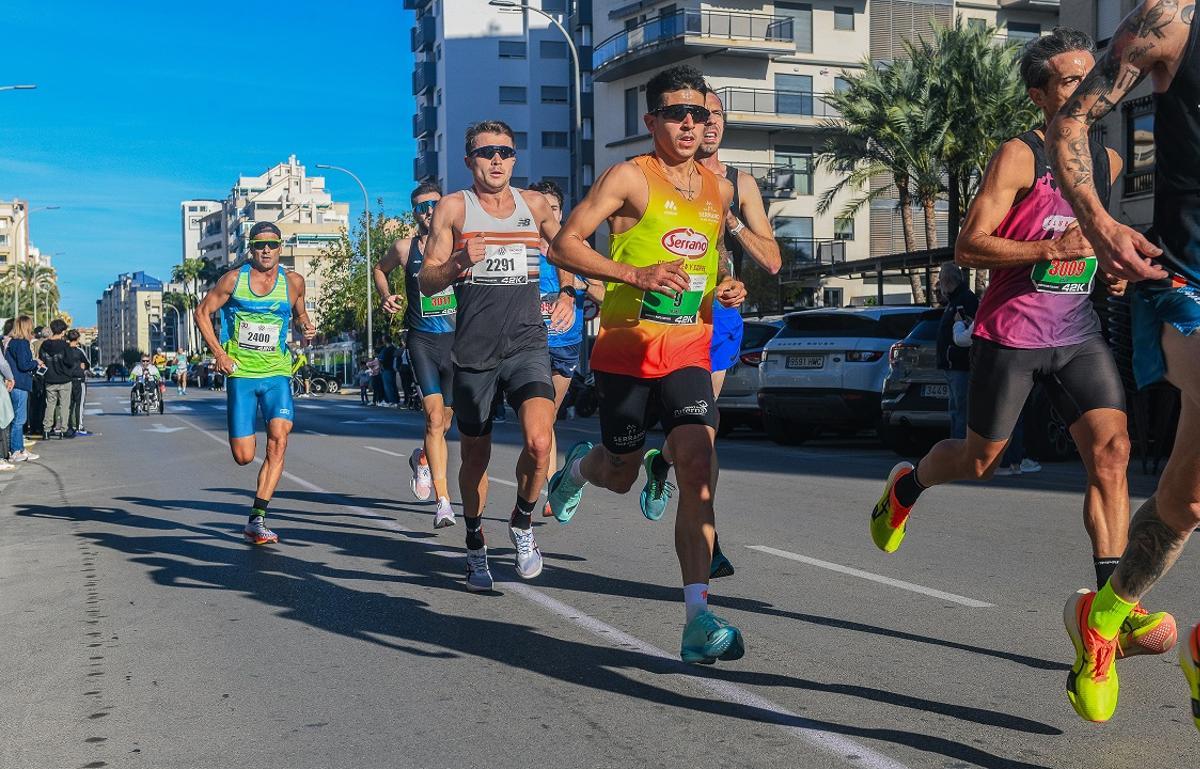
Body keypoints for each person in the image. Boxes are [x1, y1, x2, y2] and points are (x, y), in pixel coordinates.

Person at [870, 27, 1178, 721]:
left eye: (1090, 75)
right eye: (1071, 81)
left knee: (1114, 451)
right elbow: (969, 244)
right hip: (1009, 335)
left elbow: (1094, 238)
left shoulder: (1108, 156)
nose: (1088, 89)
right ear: (1040, 95)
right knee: (982, 459)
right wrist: (1047, 244)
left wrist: (1114, 267)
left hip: (1076, 333)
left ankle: (1104, 615)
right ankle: (907, 485)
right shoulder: (1019, 154)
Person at [545, 65, 749, 664]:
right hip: (626, 350)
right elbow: (565, 244)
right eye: (674, 113)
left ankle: (697, 618)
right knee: (622, 471)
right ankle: (580, 468)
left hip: (687, 347)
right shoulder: (630, 178)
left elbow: (704, 264)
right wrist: (634, 274)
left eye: (698, 114)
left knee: (697, 462)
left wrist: (724, 290)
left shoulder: (718, 189)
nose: (689, 124)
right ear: (651, 120)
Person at [1044, 2, 1200, 727]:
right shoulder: (1172, 18)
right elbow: (1071, 121)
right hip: (1187, 282)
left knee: (1189, 500)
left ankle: (1105, 617)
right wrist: (1100, 223)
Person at [419, 119, 575, 590]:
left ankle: (523, 524)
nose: (496, 161)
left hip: (527, 344)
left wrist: (567, 291)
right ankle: (474, 543)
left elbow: (566, 247)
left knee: (540, 443)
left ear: (514, 158)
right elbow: (427, 280)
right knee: (476, 458)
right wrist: (458, 263)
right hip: (475, 353)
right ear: (469, 160)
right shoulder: (453, 209)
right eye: (486, 152)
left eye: (505, 152)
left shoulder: (532, 204)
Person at [637, 87, 783, 579]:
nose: (709, 124)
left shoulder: (739, 184)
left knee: (705, 433)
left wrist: (731, 218)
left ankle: (669, 474)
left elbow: (773, 260)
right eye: (700, 115)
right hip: (665, 310)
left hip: (719, 314)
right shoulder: (653, 177)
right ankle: (705, 532)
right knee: (696, 434)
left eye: (716, 115)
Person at [194, 220, 317, 545]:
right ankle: (255, 518)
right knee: (244, 456)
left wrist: (306, 326)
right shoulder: (234, 280)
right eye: (260, 244)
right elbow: (202, 312)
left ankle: (257, 519)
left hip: (278, 371)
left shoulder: (293, 282)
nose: (266, 250)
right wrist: (220, 354)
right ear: (251, 247)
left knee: (279, 439)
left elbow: (300, 312)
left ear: (280, 247)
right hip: (242, 374)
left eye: (273, 245)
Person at [375, 182, 458, 528]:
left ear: (443, 207)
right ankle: (444, 502)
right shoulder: (404, 248)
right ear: (414, 213)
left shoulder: (460, 244)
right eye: (421, 207)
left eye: (433, 205)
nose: (427, 212)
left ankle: (422, 458)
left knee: (446, 422)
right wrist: (386, 294)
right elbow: (380, 269)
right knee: (434, 418)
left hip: (457, 342)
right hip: (422, 341)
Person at [528, 179, 605, 516]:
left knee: (550, 419)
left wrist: (581, 285)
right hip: (528, 344)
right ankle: (547, 490)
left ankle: (558, 482)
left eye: (553, 209)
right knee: (539, 421)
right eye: (540, 209)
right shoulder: (522, 247)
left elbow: (601, 293)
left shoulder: (577, 246)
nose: (547, 214)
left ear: (560, 212)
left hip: (567, 343)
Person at [934, 262, 978, 440]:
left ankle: (959, 448)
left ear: (947, 280)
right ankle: (956, 446)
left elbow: (970, 332)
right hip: (952, 365)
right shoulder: (955, 300)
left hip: (960, 365)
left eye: (940, 279)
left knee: (961, 410)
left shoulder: (965, 299)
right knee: (955, 410)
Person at [3, 316, 39, 463]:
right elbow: (24, 365)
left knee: (16, 418)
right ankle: (16, 450)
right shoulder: (22, 343)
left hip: (13, 383)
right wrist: (35, 363)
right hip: (20, 384)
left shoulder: (10, 343)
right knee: (19, 419)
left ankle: (20, 449)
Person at [38, 319, 73, 440]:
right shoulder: (65, 346)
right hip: (64, 379)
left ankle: (46, 430)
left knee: (50, 405)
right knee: (64, 406)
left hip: (49, 379)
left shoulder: (44, 345)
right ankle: (63, 430)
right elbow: (70, 362)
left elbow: (41, 360)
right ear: (63, 332)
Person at [64, 329, 91, 438]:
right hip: (79, 379)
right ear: (78, 339)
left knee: (69, 404)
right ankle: (79, 426)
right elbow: (87, 364)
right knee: (79, 404)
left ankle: (68, 425)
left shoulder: (64, 350)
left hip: (67, 379)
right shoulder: (79, 351)